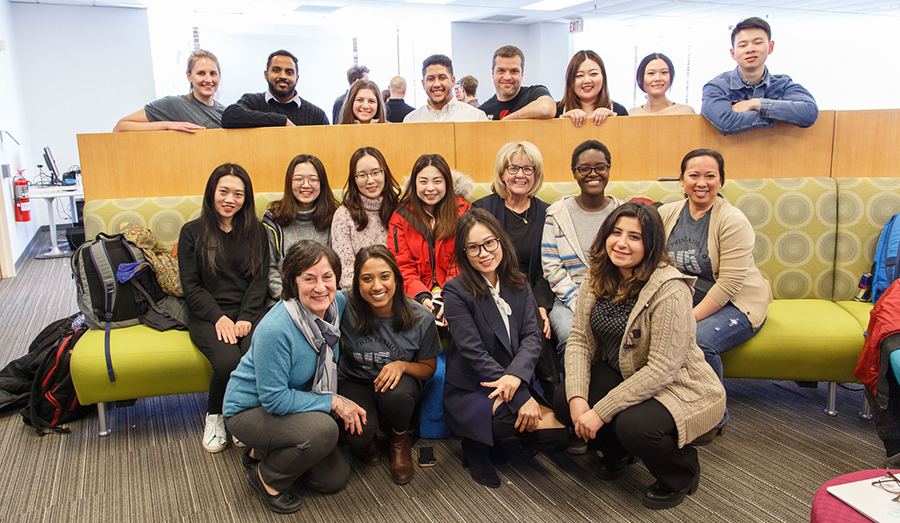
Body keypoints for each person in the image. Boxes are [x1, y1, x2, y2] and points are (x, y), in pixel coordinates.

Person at [552, 201, 726, 510]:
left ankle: (681, 473)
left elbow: (662, 369)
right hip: (626, 371)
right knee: (564, 399)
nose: (621, 243)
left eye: (635, 236)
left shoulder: (669, 289)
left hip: (677, 384)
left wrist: (600, 412)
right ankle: (618, 452)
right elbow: (579, 339)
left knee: (634, 426)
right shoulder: (598, 274)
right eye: (616, 232)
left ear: (652, 243)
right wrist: (579, 398)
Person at [224, 241, 364, 514]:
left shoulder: (337, 303)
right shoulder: (276, 329)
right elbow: (274, 399)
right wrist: (332, 401)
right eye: (308, 279)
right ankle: (266, 479)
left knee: (331, 480)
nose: (320, 287)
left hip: (299, 398)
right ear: (292, 281)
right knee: (324, 431)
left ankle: (260, 451)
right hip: (252, 409)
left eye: (327, 277)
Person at [443, 209, 568, 488]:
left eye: (489, 242)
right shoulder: (455, 291)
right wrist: (519, 395)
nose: (484, 252)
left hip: (512, 379)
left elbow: (532, 336)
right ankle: (474, 447)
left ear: (500, 241)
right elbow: (473, 352)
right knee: (510, 417)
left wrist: (516, 380)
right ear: (464, 252)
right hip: (475, 385)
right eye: (473, 247)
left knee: (557, 437)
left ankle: (504, 435)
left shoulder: (519, 282)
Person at [658, 148, 771, 443]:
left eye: (711, 176)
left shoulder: (732, 220)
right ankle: (677, 406)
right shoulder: (667, 213)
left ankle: (715, 418)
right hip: (687, 298)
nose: (702, 183)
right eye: (694, 175)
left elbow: (730, 284)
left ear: (721, 181)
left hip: (736, 303)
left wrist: (688, 318)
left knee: (699, 340)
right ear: (681, 180)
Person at [178, 163, 268, 453]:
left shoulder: (257, 231)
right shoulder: (192, 232)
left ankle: (240, 417)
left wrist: (245, 318)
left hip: (248, 312)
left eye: (238, 194)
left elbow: (260, 281)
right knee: (228, 361)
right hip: (208, 313)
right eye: (224, 191)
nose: (230, 199)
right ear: (212, 193)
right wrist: (219, 318)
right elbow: (192, 287)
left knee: (254, 354)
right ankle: (215, 416)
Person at [337, 246, 441, 484]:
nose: (376, 286)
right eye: (367, 279)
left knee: (398, 395)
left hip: (398, 386)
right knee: (357, 438)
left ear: (396, 278)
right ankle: (369, 436)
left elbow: (429, 369)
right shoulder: (343, 304)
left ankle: (398, 440)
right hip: (354, 379)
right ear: (356, 282)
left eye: (384, 276)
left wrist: (402, 366)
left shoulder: (420, 317)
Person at [472, 141, 559, 398]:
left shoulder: (547, 213)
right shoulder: (483, 209)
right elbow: (476, 259)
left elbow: (548, 267)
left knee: (531, 310)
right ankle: (552, 389)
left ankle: (529, 392)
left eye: (528, 169)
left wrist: (542, 305)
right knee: (529, 313)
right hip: (491, 288)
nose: (520, 174)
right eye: (513, 168)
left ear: (536, 174)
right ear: (502, 173)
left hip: (533, 292)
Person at [542, 140, 623, 359]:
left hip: (617, 297)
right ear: (574, 173)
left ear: (608, 169)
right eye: (584, 168)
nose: (592, 174)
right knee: (572, 336)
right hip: (569, 298)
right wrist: (580, 303)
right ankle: (572, 392)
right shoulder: (557, 214)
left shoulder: (623, 212)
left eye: (600, 167)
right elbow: (552, 268)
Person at [701, 17, 818, 135]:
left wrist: (757, 104)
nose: (750, 49)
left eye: (757, 43)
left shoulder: (783, 84)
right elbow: (726, 122)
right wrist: (780, 116)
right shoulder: (717, 86)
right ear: (733, 54)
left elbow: (809, 112)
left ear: (770, 47)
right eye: (742, 45)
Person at [387, 154, 471, 319]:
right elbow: (401, 265)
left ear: (447, 183)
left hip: (456, 291)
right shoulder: (401, 217)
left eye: (437, 181)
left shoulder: (464, 214)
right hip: (414, 295)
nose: (430, 188)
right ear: (414, 184)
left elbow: (463, 261)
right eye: (423, 181)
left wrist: (448, 295)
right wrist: (422, 295)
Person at [263, 154, 339, 303]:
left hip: (324, 299)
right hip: (284, 302)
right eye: (298, 179)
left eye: (313, 180)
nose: (306, 185)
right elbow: (270, 268)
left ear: (322, 183)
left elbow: (336, 267)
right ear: (289, 183)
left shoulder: (334, 217)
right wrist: (290, 300)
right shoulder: (273, 219)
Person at [331, 147, 401, 289]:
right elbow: (345, 274)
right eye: (362, 175)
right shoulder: (343, 216)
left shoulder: (400, 211)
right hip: (359, 295)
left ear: (385, 173)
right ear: (354, 179)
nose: (370, 180)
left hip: (399, 292)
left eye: (376, 173)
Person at [114, 50, 225, 133]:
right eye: (201, 73)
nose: (208, 80)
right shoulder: (173, 104)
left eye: (213, 73)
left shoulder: (225, 112)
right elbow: (121, 127)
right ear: (189, 76)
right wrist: (169, 125)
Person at [222, 50, 329, 128]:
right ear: (266, 75)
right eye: (276, 70)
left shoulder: (317, 115)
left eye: (289, 72)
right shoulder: (252, 101)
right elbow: (230, 115)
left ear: (297, 78)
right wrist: (282, 121)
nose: (283, 76)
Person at [478, 45, 556, 121]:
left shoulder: (534, 93)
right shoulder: (483, 112)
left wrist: (508, 119)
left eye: (514, 71)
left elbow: (546, 108)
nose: (507, 77)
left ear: (522, 73)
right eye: (501, 71)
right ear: (492, 73)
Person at [403, 55, 488, 123]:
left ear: (453, 81)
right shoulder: (411, 120)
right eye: (431, 79)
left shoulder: (476, 117)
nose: (436, 84)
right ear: (423, 84)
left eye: (442, 77)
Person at [557, 50, 628, 128]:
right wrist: (561, 121)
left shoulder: (619, 111)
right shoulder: (556, 111)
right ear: (570, 80)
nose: (587, 80)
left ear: (603, 77)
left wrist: (614, 120)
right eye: (579, 75)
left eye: (593, 74)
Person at [629, 53, 695, 116]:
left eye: (664, 72)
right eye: (651, 73)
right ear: (640, 79)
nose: (658, 78)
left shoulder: (684, 112)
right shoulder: (631, 114)